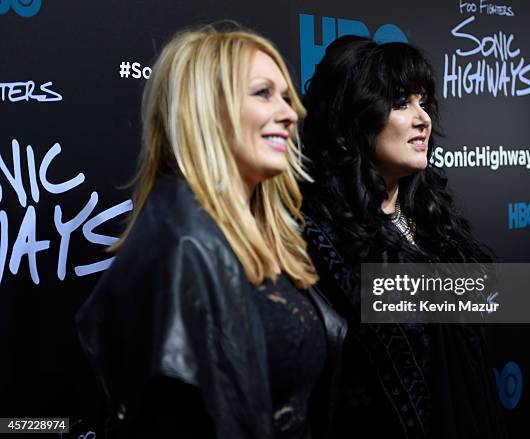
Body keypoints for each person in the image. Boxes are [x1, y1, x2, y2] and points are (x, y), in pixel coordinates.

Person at [76, 24, 346, 439]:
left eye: (287, 97)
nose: (291, 113)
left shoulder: (273, 236)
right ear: (205, 107)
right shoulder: (183, 243)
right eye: (263, 93)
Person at [300, 35, 506, 438]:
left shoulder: (434, 223)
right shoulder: (320, 240)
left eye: (423, 102)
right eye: (400, 103)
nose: (422, 118)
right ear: (356, 118)